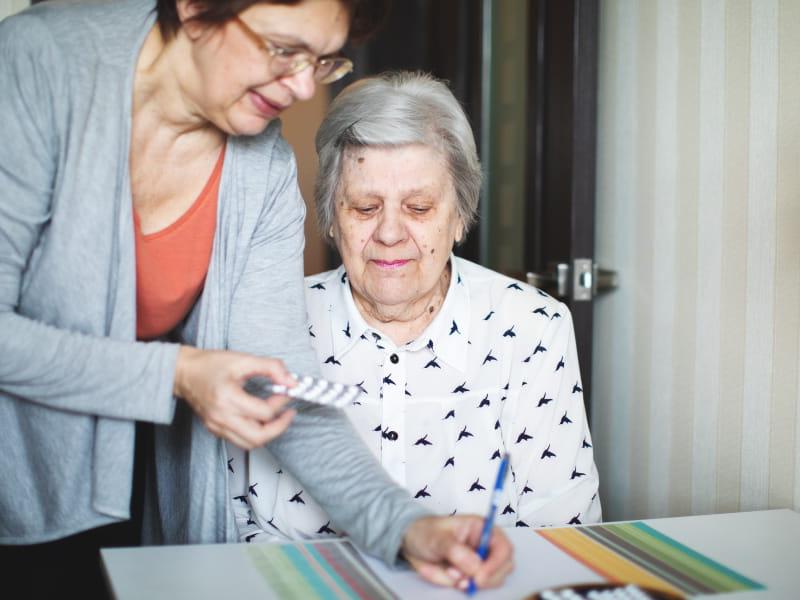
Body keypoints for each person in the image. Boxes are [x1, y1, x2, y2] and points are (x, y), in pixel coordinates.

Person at [0, 3, 512, 597]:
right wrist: (181, 373)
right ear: (194, 9)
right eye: (283, 50)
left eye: (321, 61)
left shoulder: (261, 161)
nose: (301, 86)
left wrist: (407, 525)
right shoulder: (40, 66)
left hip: (140, 495)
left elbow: (287, 387)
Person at [239, 71, 601, 549]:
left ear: (460, 216)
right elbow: (228, 527)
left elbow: (567, 533)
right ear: (330, 217)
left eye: (419, 207)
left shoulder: (533, 328)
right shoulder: (267, 325)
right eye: (365, 207)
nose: (390, 233)